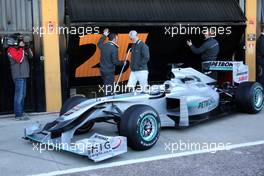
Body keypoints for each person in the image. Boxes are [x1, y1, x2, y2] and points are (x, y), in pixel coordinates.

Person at [7, 35, 33, 120]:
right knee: (19, 95)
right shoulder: (11, 50)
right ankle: (18, 115)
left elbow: (31, 56)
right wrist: (21, 48)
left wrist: (27, 47)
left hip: (24, 75)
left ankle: (21, 112)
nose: (20, 42)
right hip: (18, 76)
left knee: (23, 95)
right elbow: (19, 59)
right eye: (18, 40)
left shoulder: (20, 50)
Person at [98, 29, 123, 95]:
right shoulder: (114, 48)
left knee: (107, 85)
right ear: (114, 39)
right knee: (108, 88)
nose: (117, 39)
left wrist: (104, 35)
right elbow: (115, 62)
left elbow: (99, 43)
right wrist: (123, 62)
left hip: (102, 70)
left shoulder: (104, 46)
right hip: (109, 71)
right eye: (117, 38)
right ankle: (106, 100)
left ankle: (109, 95)